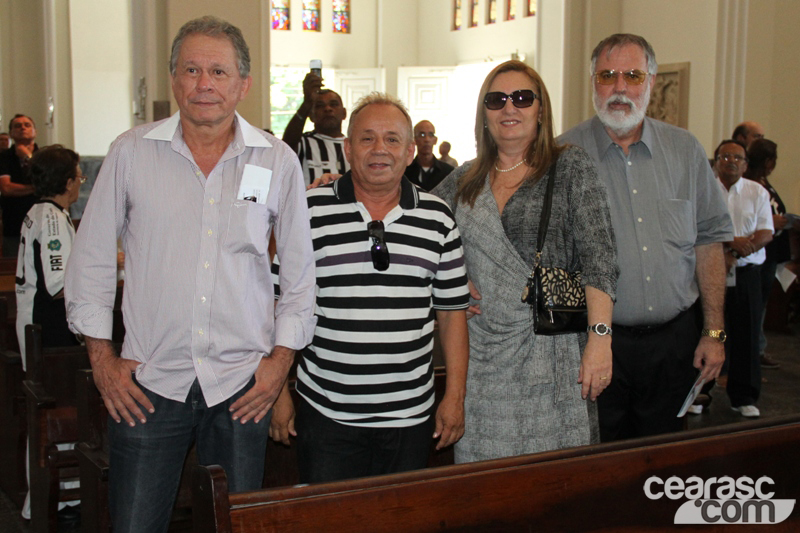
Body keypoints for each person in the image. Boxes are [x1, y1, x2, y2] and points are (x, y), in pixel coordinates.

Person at [64, 16, 316, 533]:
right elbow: (88, 262)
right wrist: (102, 360)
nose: (205, 84)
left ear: (242, 84)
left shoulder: (276, 159)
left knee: (232, 525)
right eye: (192, 69)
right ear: (174, 80)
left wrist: (279, 364)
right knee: (136, 524)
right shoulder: (132, 153)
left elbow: (299, 275)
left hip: (241, 385)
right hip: (148, 383)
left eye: (219, 72)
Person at [271, 93, 470, 483]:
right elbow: (276, 304)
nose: (380, 149)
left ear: (411, 150)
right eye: (367, 138)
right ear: (348, 148)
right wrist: (278, 394)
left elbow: (451, 315)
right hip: (327, 413)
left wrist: (454, 398)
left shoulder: (437, 218)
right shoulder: (309, 211)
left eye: (393, 139)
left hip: (411, 417)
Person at [432, 60, 618, 463]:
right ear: (484, 114)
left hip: (552, 358)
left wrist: (600, 340)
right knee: (485, 489)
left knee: (554, 486)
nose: (509, 108)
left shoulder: (569, 166)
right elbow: (417, 226)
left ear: (540, 110)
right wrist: (449, 278)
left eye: (522, 98)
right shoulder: (464, 179)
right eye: (496, 100)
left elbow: (599, 258)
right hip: (481, 361)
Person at [558, 34, 733, 441]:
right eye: (607, 75)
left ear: (651, 81)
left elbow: (709, 243)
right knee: (599, 464)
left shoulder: (685, 150)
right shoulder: (562, 155)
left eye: (632, 75)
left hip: (674, 345)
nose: (619, 87)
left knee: (666, 462)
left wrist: (714, 332)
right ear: (593, 82)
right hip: (595, 345)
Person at [16, 145, 83, 521]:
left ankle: (50, 500)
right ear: (68, 182)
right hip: (49, 330)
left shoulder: (37, 212)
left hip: (35, 326)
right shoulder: (53, 219)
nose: (79, 183)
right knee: (60, 414)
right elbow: (59, 283)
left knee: (49, 415)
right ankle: (58, 502)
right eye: (78, 176)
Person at [716, 139, 773, 417]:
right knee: (705, 331)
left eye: (738, 158)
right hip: (711, 271)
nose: (731, 161)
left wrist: (738, 251)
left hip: (747, 273)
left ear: (746, 165)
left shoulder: (757, 192)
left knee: (746, 335)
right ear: (716, 161)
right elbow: (698, 227)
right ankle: (697, 393)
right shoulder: (705, 190)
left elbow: (766, 232)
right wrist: (731, 242)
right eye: (725, 156)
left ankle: (744, 396)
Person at [745, 139, 794, 369]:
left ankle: (757, 349)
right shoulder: (749, 184)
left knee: (761, 305)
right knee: (753, 307)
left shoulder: (764, 183)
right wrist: (772, 222)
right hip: (757, 253)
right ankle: (750, 352)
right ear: (767, 161)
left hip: (771, 252)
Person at [282, 72, 349, 184]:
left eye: (333, 104)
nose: (328, 109)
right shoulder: (304, 142)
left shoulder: (354, 145)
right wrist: (307, 103)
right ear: (311, 116)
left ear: (344, 113)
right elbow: (287, 145)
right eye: (320, 106)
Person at [0, 114, 39, 257]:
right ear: (11, 133)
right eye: (17, 125)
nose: (23, 128)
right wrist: (35, 188)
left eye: (27, 125)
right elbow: (6, 188)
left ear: (35, 131)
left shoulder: (44, 155)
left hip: (40, 223)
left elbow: (50, 181)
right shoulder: (3, 157)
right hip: (14, 224)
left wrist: (29, 156)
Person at [405, 120, 454, 191]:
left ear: (435, 140)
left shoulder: (448, 172)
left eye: (431, 135)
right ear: (414, 139)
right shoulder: (405, 172)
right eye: (422, 135)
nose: (427, 139)